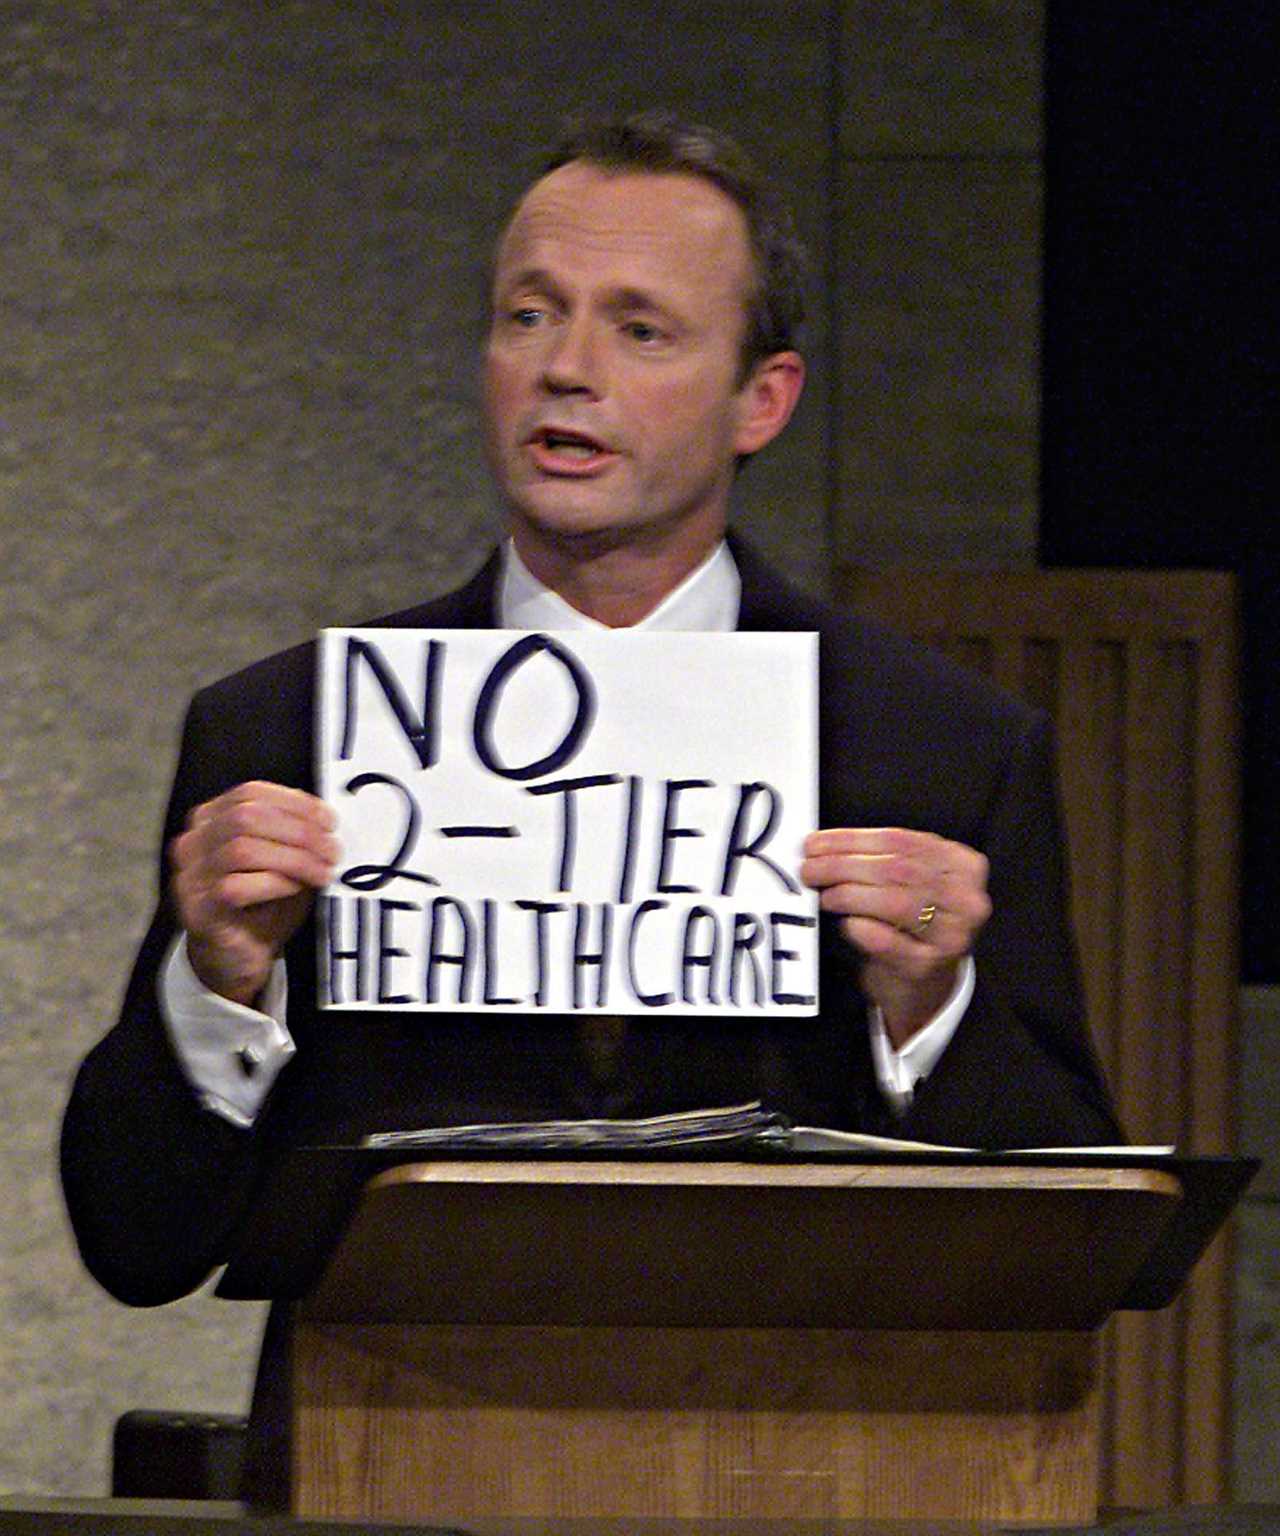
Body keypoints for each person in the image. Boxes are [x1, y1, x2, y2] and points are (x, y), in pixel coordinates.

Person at [61, 111, 1120, 1505]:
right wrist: (216, 986)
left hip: (806, 1480)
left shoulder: (940, 750)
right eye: (529, 316)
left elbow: (1076, 1250)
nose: (565, 369)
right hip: (388, 1475)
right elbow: (139, 1242)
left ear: (764, 399)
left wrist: (934, 1006)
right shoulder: (284, 734)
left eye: (640, 330)